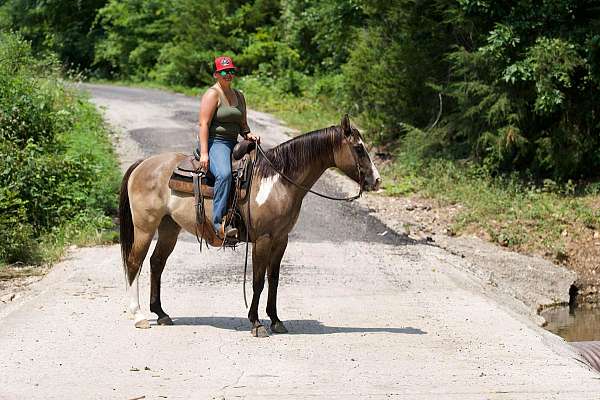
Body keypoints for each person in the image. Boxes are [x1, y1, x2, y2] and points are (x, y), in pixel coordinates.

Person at [198, 55, 259, 239]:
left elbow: (243, 124)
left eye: (231, 71)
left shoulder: (239, 95)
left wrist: (248, 134)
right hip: (217, 142)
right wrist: (204, 153)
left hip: (235, 143)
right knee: (224, 175)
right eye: (224, 71)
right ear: (216, 74)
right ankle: (219, 223)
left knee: (260, 168)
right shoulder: (212, 94)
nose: (228, 74)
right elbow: (203, 124)